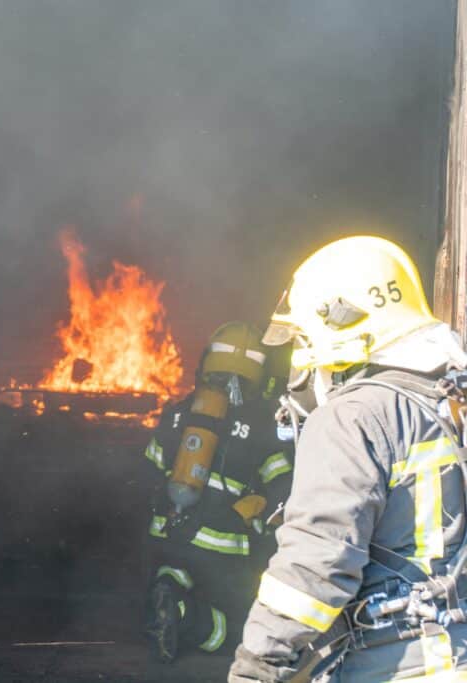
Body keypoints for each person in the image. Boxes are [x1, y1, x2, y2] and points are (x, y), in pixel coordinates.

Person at [229, 235, 467, 682]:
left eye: (301, 342)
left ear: (338, 328)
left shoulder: (351, 417)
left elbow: (314, 564)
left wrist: (256, 666)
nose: (298, 364)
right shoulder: (451, 402)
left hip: (398, 667)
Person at [142, 321, 294, 664]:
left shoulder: (180, 413)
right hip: (222, 546)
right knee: (243, 631)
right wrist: (262, 512)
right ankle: (184, 616)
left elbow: (147, 471)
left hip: (166, 534)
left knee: (173, 570)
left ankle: (170, 586)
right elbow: (283, 484)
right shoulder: (261, 425)